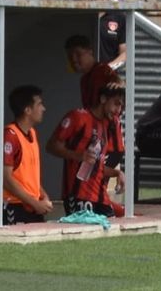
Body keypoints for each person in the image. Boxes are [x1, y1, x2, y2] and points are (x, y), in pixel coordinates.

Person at [46, 80, 126, 217]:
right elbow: (51, 146)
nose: (118, 110)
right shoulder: (78, 117)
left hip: (100, 197)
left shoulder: (107, 124)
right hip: (78, 195)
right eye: (116, 103)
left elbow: (97, 166)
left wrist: (117, 173)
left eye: (121, 106)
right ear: (102, 99)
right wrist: (78, 155)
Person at [3, 85, 53, 224]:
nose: (44, 108)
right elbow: (6, 179)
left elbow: (28, 176)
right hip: (16, 206)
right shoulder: (11, 135)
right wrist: (35, 203)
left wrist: (42, 194)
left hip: (32, 206)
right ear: (27, 110)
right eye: (39, 104)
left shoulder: (32, 133)